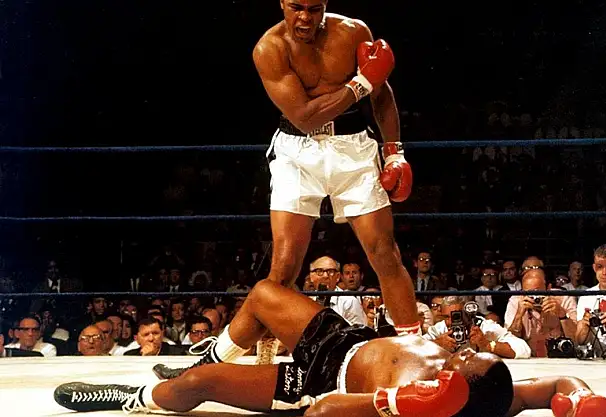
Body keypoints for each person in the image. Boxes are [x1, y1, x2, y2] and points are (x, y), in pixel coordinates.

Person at [150, 0, 421, 379]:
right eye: (296, 7)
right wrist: (361, 82)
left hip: (354, 149)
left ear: (325, 5)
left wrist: (394, 152)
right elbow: (306, 117)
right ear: (282, 4)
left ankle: (417, 355)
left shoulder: (353, 32)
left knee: (384, 253)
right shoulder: (270, 48)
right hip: (297, 152)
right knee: (283, 270)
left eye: (314, 8)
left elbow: (381, 95)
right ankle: (212, 364)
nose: (305, 17)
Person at [54, 280, 606, 417]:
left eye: (470, 360)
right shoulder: (499, 393)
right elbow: (556, 384)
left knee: (195, 389)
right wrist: (581, 401)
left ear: (460, 386)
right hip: (347, 339)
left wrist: (396, 403)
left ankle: (133, 398)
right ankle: (210, 353)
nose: (468, 349)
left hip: (321, 382)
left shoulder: (432, 403)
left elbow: (323, 412)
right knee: (264, 294)